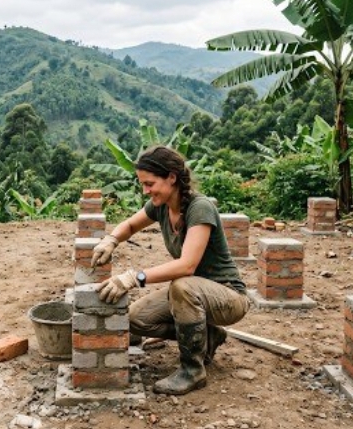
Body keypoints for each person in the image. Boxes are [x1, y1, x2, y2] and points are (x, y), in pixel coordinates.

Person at [90, 145, 250, 395]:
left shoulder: (199, 208)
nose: (145, 190)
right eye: (142, 184)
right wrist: (111, 239)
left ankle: (192, 371)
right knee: (134, 319)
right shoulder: (161, 205)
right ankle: (208, 336)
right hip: (192, 294)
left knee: (182, 285)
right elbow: (130, 225)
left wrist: (134, 277)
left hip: (228, 297)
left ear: (172, 178)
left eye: (150, 183)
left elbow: (187, 265)